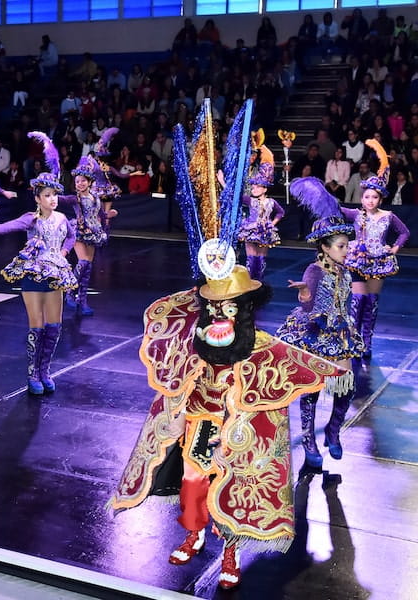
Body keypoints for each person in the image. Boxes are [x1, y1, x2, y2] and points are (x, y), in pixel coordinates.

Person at [110, 101, 344, 590]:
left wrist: (329, 368)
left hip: (239, 428)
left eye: (228, 307)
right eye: (213, 306)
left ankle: (232, 554)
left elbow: (292, 360)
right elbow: (167, 330)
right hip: (199, 422)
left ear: (245, 307)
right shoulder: (195, 334)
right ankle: (194, 535)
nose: (219, 315)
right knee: (193, 483)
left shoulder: (257, 342)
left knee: (233, 488)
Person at [0, 131, 76, 395]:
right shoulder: (30, 219)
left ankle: (45, 371)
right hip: (33, 276)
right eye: (47, 195)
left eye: (55, 195)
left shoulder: (62, 219)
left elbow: (72, 238)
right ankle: (32, 373)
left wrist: (64, 253)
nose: (53, 199)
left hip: (56, 275)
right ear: (38, 198)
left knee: (54, 326)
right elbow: (0, 229)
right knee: (37, 325)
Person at [277, 177, 364, 468]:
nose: (346, 250)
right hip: (316, 331)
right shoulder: (314, 270)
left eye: (346, 245)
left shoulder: (346, 272)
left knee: (347, 385)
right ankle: (308, 439)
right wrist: (304, 292)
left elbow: (347, 304)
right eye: (341, 246)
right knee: (312, 389)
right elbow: (310, 305)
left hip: (340, 332)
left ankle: (333, 430)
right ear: (325, 248)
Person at [341, 141, 410, 361]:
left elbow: (404, 233)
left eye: (374, 197)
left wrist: (394, 248)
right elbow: (335, 207)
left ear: (380, 199)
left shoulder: (388, 216)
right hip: (358, 259)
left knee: (371, 302)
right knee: (357, 300)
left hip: (379, 260)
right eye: (367, 197)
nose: (370, 200)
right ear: (361, 198)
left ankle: (367, 341)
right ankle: (353, 340)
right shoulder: (356, 214)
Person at [59, 155, 117, 316]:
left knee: (88, 267)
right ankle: (70, 291)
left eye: (83, 181)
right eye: (77, 181)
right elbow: (60, 199)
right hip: (78, 232)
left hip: (94, 233)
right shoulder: (74, 199)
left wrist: (109, 214)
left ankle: (82, 301)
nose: (80, 183)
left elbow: (101, 215)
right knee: (83, 262)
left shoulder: (96, 197)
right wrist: (48, 193)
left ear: (90, 182)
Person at [237, 143, 284, 281]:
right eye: (253, 187)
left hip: (265, 231)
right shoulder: (251, 201)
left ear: (265, 189)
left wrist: (272, 223)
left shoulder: (271, 202)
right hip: (251, 229)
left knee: (261, 259)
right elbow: (235, 196)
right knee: (251, 259)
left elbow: (281, 213)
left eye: (258, 187)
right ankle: (250, 282)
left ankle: (259, 283)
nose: (254, 189)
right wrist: (222, 182)